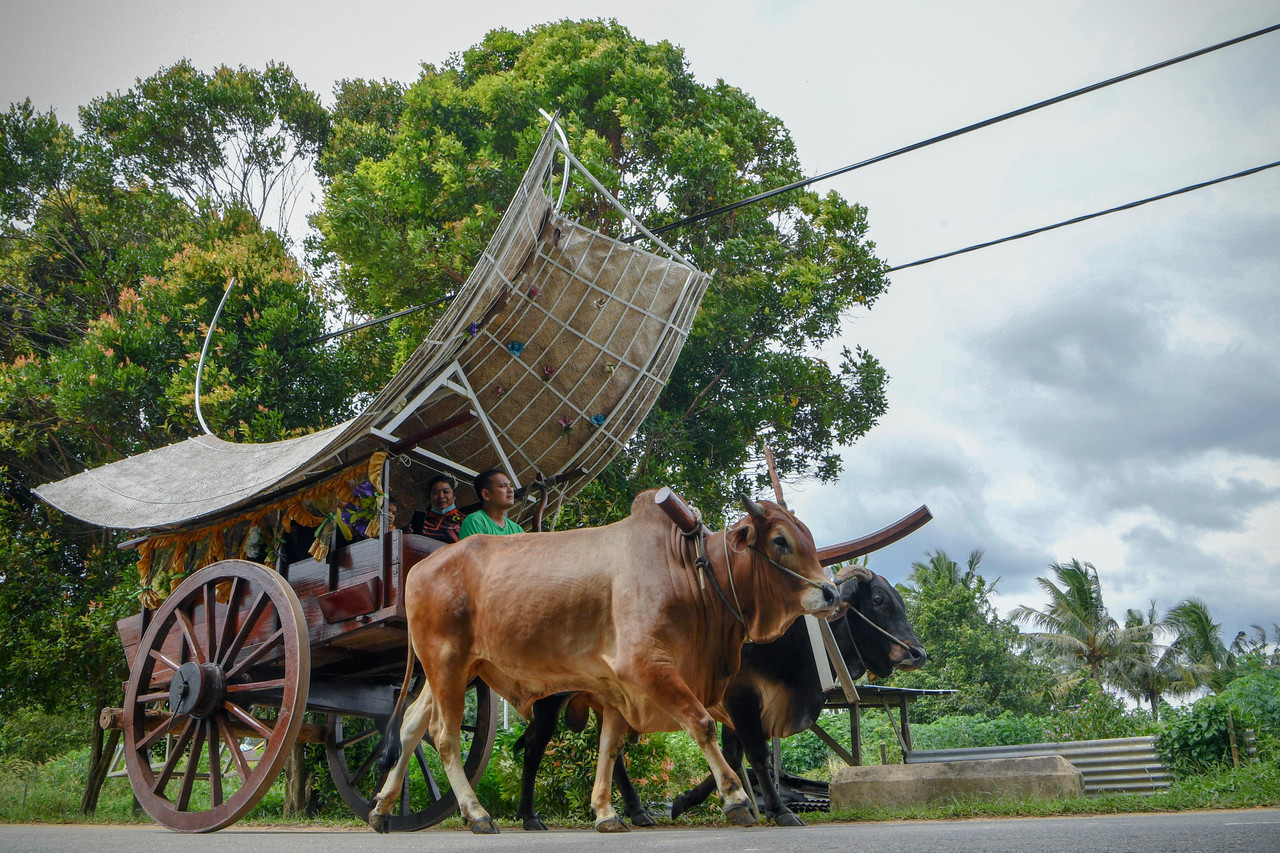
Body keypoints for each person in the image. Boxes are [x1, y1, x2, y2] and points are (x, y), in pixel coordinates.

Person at [458, 468, 524, 538]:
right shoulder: (474, 521)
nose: (511, 490)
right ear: (486, 494)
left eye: (511, 485)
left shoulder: (517, 529)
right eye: (502, 486)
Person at [413, 474, 464, 544]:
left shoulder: (464, 520)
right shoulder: (421, 520)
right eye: (435, 493)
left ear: (454, 495)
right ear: (430, 496)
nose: (441, 496)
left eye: (446, 491)